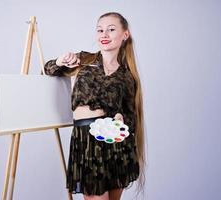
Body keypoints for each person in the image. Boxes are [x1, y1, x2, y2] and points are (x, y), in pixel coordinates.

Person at [44, 12, 146, 200]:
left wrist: (121, 119)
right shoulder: (84, 59)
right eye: (100, 30)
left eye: (111, 29)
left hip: (115, 144)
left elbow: (131, 117)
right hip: (86, 142)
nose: (104, 34)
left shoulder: (126, 76)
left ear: (125, 34)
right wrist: (60, 61)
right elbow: (48, 69)